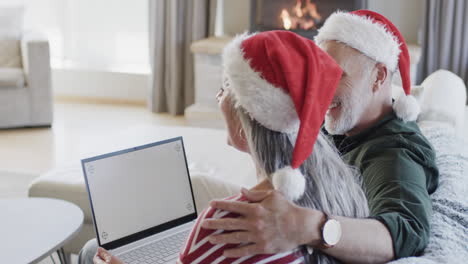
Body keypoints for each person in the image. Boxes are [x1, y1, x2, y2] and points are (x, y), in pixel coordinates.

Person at [89, 30, 370, 264]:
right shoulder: (339, 189)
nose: (218, 95)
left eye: (226, 86)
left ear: (248, 117)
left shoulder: (231, 222)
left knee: (91, 250)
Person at [201, 10, 439, 264]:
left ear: (379, 76)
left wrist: (305, 226)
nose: (321, 91)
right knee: (194, 186)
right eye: (320, 75)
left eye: (337, 76)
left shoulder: (394, 153)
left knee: (200, 201)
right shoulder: (349, 121)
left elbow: (405, 233)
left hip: (303, 233)